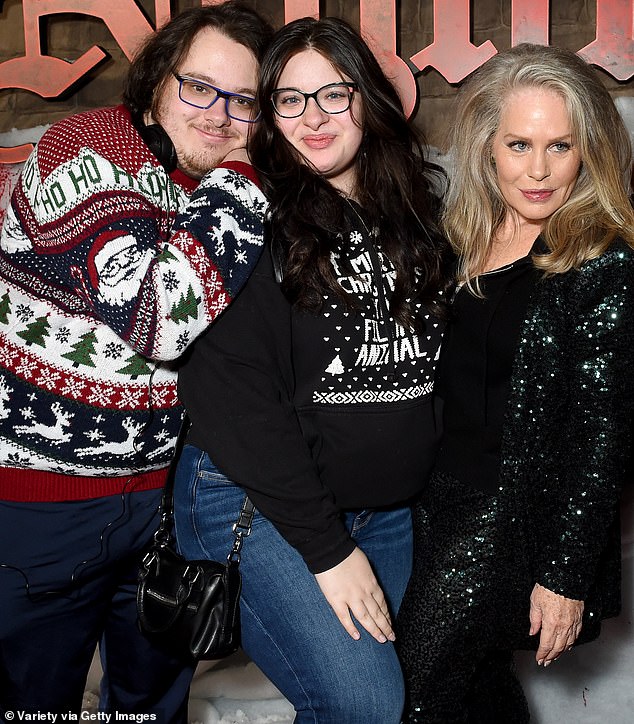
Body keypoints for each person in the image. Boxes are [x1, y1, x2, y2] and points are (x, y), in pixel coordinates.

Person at [173, 16, 452, 724]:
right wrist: (327, 550)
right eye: (291, 100)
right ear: (268, 114)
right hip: (259, 503)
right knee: (363, 702)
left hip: (385, 511)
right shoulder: (246, 214)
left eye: (335, 93)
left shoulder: (415, 208)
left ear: (368, 98)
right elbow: (233, 402)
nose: (315, 118)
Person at [0, 3, 273, 720]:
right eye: (199, 87)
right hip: (46, 502)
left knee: (151, 706)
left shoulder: (194, 179)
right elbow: (157, 318)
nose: (218, 115)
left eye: (244, 100)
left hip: (160, 504)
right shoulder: (87, 149)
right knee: (37, 704)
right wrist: (247, 170)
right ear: (156, 83)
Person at [395, 42, 634, 723]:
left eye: (560, 147)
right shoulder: (462, 237)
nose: (538, 170)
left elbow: (603, 438)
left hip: (506, 521)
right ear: (487, 147)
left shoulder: (597, 262)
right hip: (430, 504)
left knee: (415, 695)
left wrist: (564, 576)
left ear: (586, 151)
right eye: (519, 144)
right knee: (471, 689)